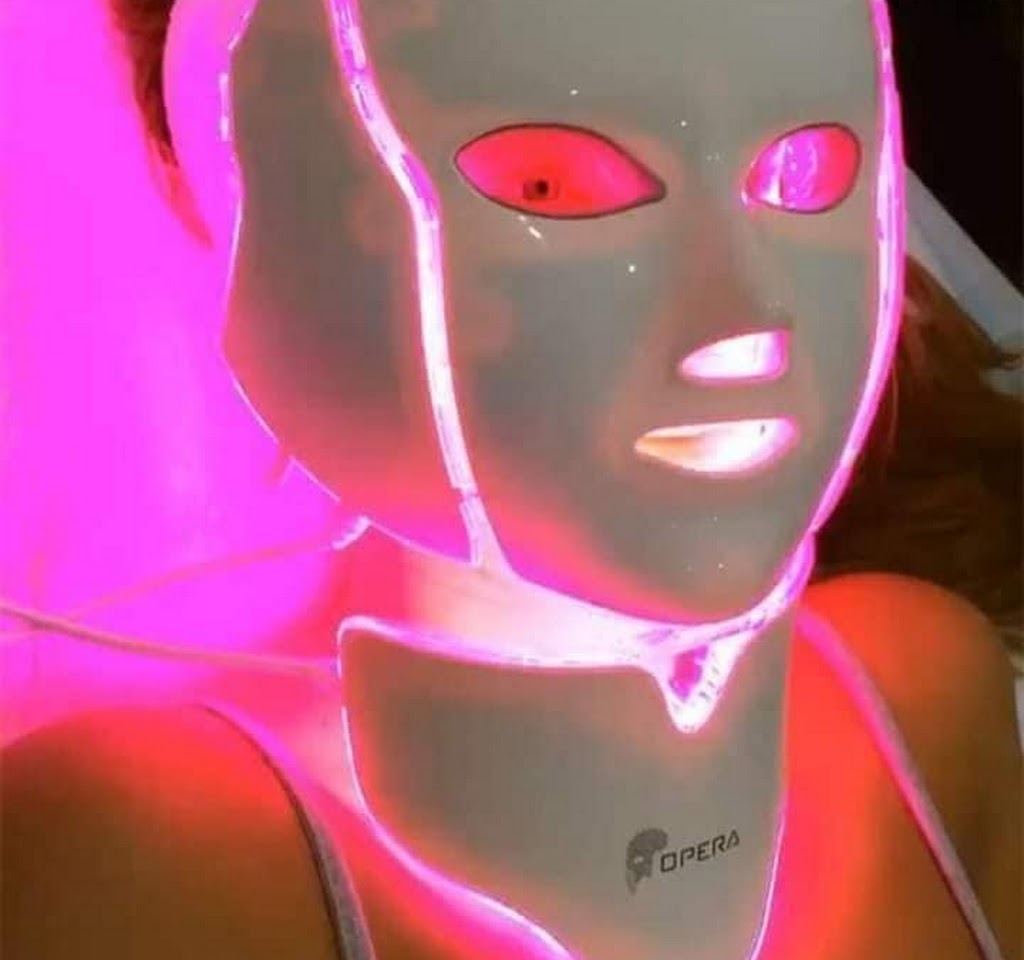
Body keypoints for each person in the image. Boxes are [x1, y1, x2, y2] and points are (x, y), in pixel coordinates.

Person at [2, 1, 1021, 959]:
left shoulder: (924, 701)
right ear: (264, 186)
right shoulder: (138, 865)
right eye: (547, 185)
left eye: (798, 173)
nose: (744, 318)